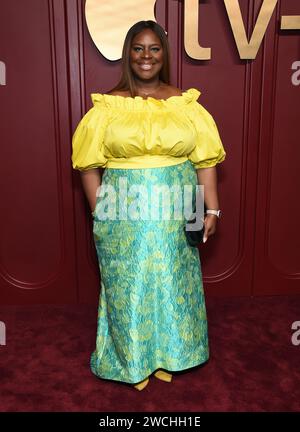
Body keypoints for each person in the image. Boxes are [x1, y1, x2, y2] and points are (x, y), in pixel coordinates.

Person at [71, 20, 226, 391]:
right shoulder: (108, 107)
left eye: (154, 48)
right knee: (130, 285)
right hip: (123, 212)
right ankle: (133, 359)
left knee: (174, 282)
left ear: (164, 54)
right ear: (127, 54)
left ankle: (174, 353)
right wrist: (100, 210)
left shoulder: (186, 104)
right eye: (138, 48)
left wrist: (212, 210)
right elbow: (88, 166)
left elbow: (205, 161)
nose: (146, 56)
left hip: (179, 208)